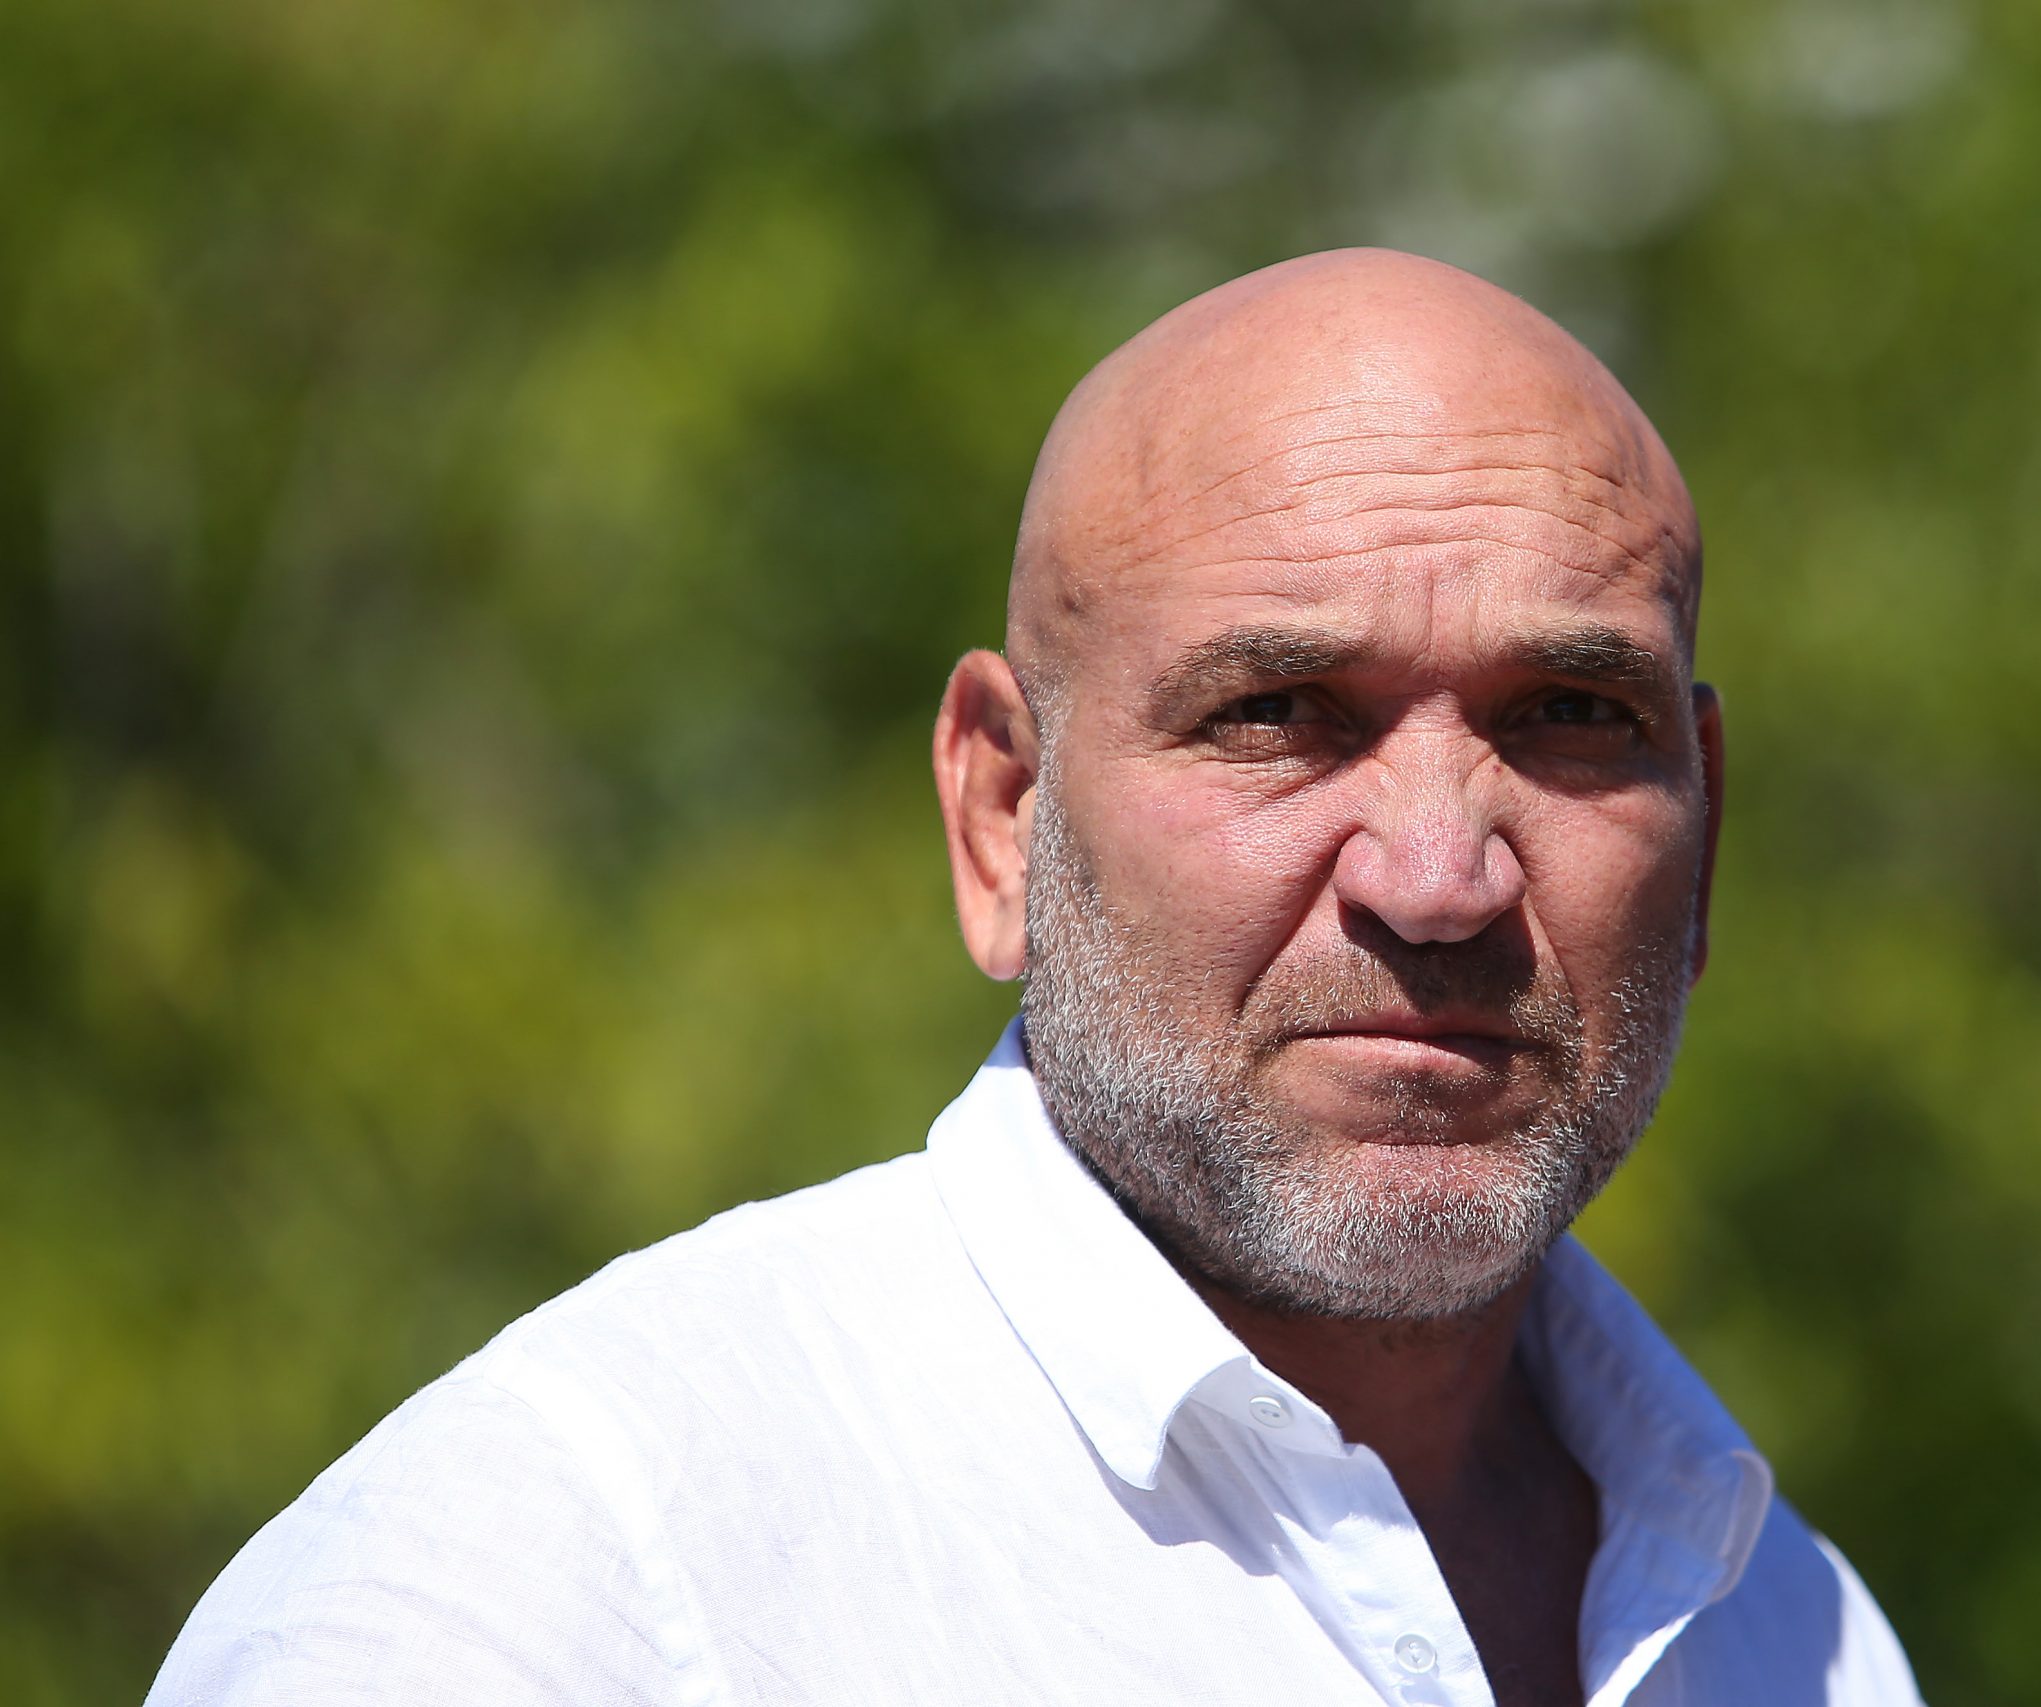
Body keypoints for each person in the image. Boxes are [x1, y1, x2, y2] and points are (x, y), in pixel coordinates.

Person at [148, 249, 1923, 1707]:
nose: (1440, 879)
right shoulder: (569, 1589)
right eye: (1279, 717)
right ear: (1003, 813)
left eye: (1569, 720)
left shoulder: (1793, 1633)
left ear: (1705, 833)